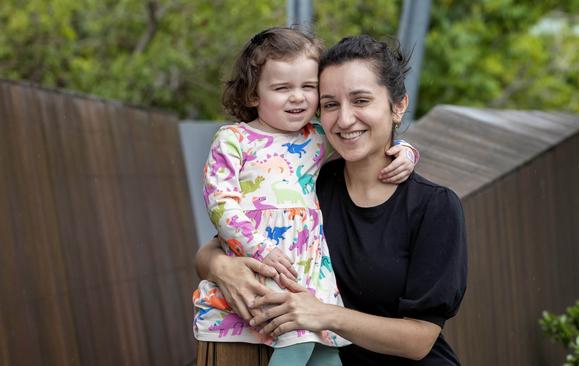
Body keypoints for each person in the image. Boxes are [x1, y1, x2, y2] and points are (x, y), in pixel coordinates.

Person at [197, 34, 468, 365]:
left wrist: (324, 315)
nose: (344, 119)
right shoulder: (312, 185)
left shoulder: (434, 207)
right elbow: (223, 243)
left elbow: (420, 341)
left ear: (398, 106)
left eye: (361, 100)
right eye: (329, 104)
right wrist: (220, 266)